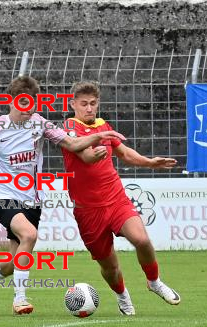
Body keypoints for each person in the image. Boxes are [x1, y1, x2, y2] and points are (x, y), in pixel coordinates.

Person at [0, 76, 125, 315]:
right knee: (29, 235)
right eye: (23, 105)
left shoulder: (39, 124)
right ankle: (20, 299)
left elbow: (72, 144)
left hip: (32, 201)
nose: (28, 110)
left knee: (14, 263)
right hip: (3, 197)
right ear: (11, 102)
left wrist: (97, 136)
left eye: (31, 104)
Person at [61, 81, 180, 315]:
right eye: (83, 104)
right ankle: (122, 295)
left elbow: (124, 153)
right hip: (88, 210)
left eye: (93, 104)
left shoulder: (103, 125)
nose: (88, 108)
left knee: (142, 240)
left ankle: (154, 281)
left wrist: (149, 162)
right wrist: (98, 146)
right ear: (73, 104)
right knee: (110, 266)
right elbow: (86, 157)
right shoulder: (68, 127)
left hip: (116, 199)